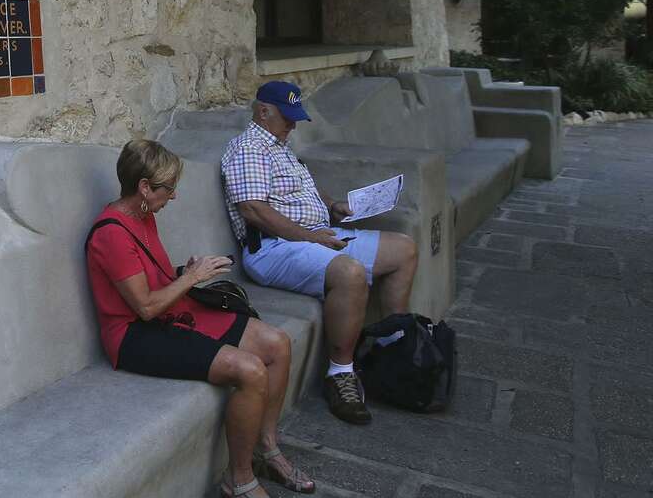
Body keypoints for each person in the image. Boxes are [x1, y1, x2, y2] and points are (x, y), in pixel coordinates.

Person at [86, 140, 315, 498]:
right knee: (251, 370)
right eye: (168, 188)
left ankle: (266, 449)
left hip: (167, 314)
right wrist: (191, 278)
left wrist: (186, 271)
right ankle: (239, 480)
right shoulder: (112, 233)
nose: (173, 196)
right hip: (135, 335)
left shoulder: (144, 215)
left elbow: (152, 281)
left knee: (278, 344)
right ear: (144, 187)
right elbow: (144, 307)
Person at [221, 82, 419, 425]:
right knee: (350, 273)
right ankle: (340, 374)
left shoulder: (279, 146)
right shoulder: (249, 149)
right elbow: (254, 210)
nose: (293, 125)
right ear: (264, 112)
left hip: (315, 236)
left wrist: (333, 206)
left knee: (403, 249)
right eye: (288, 118)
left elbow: (302, 189)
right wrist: (310, 238)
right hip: (274, 248)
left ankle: (392, 346)